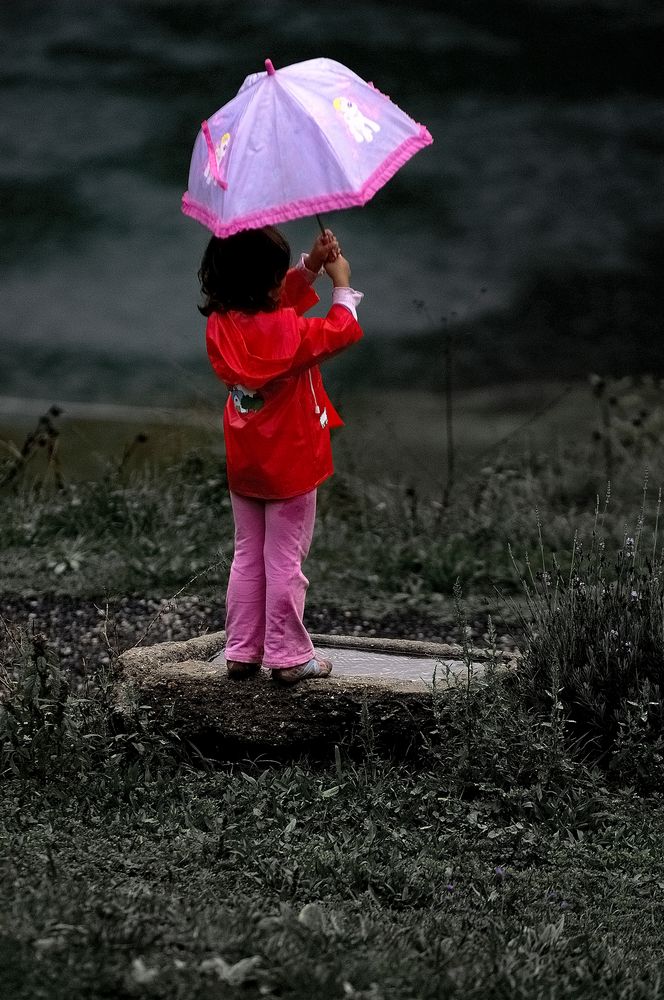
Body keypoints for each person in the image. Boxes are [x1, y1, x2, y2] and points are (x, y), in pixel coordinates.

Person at [199, 224, 363, 684]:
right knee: (285, 559)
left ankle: (242, 650)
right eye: (278, 275)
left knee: (248, 553)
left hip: (246, 460)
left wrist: (309, 267)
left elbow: (270, 311)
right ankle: (290, 656)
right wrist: (342, 283)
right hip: (290, 464)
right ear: (267, 283)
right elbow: (340, 330)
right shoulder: (290, 334)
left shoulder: (222, 323)